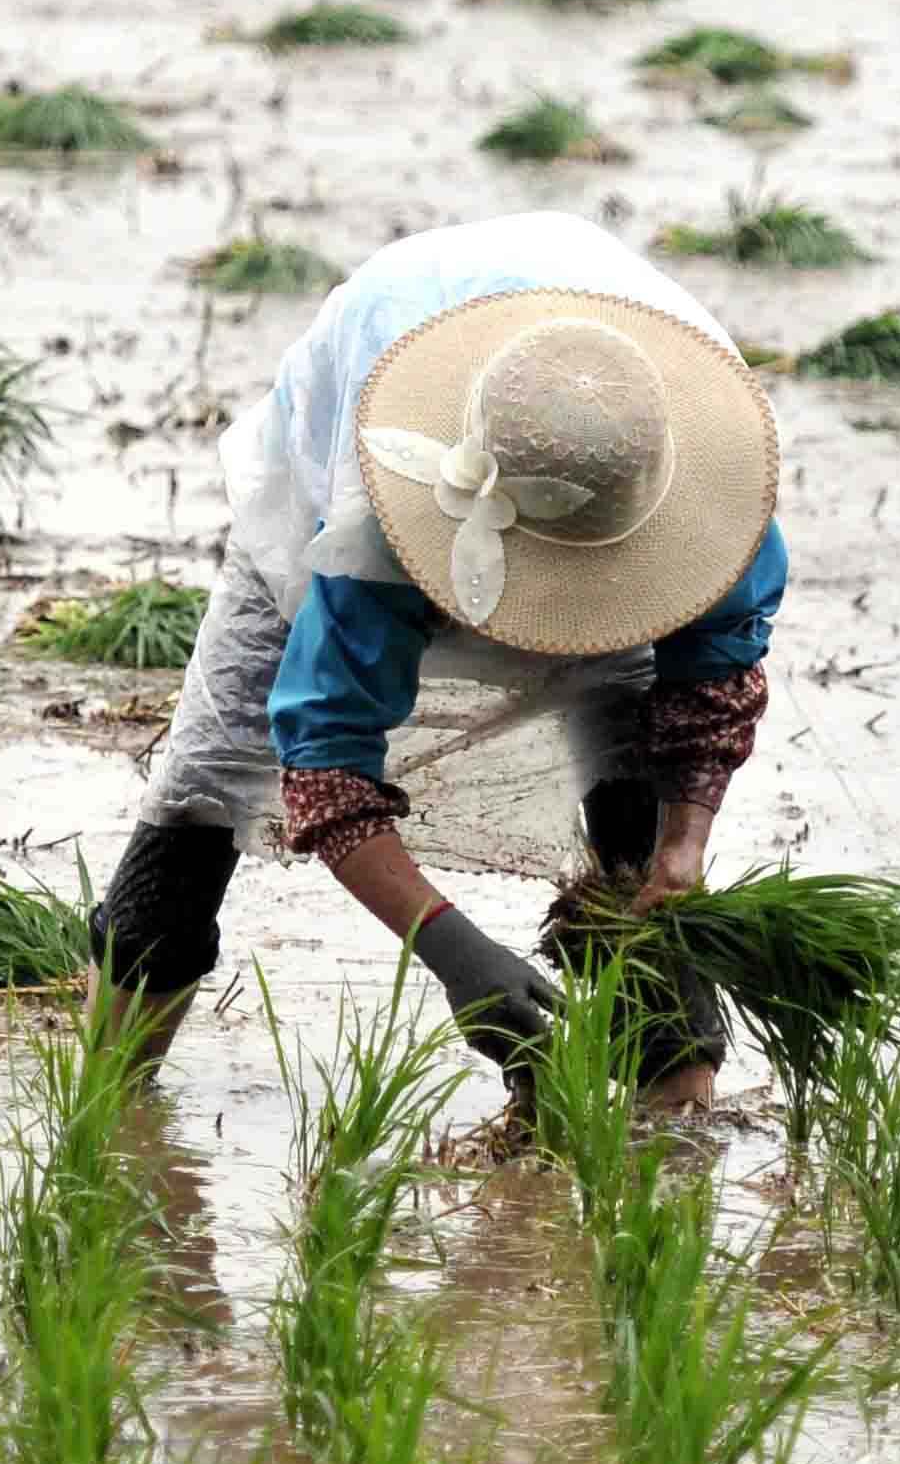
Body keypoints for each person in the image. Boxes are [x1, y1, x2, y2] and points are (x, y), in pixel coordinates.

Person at [89, 213, 786, 1100]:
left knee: (640, 825)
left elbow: (710, 686)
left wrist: (681, 854)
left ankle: (671, 1145)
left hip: (600, 417)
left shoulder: (706, 500)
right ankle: (111, 1116)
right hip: (360, 447)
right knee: (205, 788)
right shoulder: (370, 528)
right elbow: (325, 762)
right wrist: (455, 953)